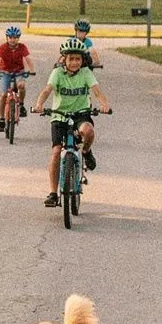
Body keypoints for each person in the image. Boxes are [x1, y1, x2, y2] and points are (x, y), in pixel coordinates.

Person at [33, 37, 111, 207]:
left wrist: (104, 104)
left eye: (78, 59)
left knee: (88, 131)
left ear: (83, 60)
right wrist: (39, 104)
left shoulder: (86, 73)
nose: (75, 62)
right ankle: (53, 193)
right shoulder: (57, 73)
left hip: (80, 114)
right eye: (71, 59)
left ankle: (86, 152)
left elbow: (97, 91)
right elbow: (47, 90)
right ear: (64, 59)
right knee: (55, 152)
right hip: (59, 116)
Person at [0, 25, 35, 126]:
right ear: (7, 38)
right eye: (10, 37)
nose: (13, 40)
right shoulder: (3, 47)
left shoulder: (22, 47)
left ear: (18, 38)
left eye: (15, 38)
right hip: (5, 72)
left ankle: (21, 104)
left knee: (21, 86)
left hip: (19, 72)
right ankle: (1, 119)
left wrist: (32, 70)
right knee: (3, 95)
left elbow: (28, 59)